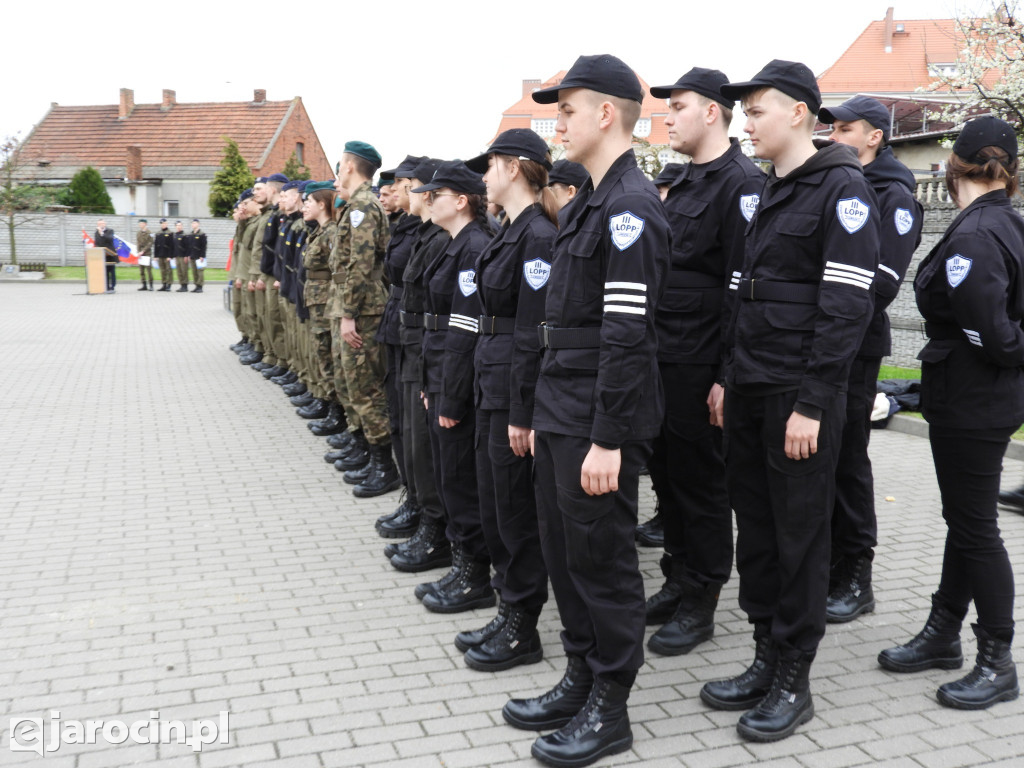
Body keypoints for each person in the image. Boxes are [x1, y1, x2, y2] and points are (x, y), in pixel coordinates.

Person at [699, 61, 878, 742]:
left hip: (797, 402)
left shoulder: (843, 190)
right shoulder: (771, 191)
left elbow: (844, 308)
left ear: (799, 112)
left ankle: (793, 679)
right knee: (761, 533)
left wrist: (813, 402)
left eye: (757, 112)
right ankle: (764, 656)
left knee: (801, 538)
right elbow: (741, 295)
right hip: (749, 389)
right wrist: (724, 375)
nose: (747, 123)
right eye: (744, 113)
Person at [500, 55, 670, 768]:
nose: (556, 121)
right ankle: (579, 673)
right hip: (561, 405)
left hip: (595, 418)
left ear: (607, 114)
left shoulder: (629, 207)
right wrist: (538, 409)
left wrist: (608, 439)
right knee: (566, 555)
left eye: (566, 110)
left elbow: (628, 336)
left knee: (602, 562)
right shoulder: (591, 201)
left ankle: (611, 705)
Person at [878, 116, 1023, 711]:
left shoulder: (974, 236)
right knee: (966, 520)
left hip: (972, 399)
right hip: (985, 397)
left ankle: (996, 659)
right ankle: (943, 632)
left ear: (952, 168)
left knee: (975, 528)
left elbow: (995, 334)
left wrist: (1009, 352)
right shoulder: (1009, 224)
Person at [642, 68, 766, 659]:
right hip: (664, 355)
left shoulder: (739, 184)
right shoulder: (686, 181)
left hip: (701, 362)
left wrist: (726, 374)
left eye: (680, 107)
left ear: (713, 112)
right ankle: (677, 577)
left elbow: (742, 288)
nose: (669, 116)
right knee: (668, 478)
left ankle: (703, 598)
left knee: (701, 485)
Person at [818, 96, 924, 623]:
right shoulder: (841, 183)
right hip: (824, 341)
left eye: (845, 128)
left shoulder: (893, 192)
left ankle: (856, 574)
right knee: (823, 457)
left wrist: (830, 320)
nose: (833, 135)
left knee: (847, 459)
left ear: (875, 135)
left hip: (856, 344)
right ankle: (830, 564)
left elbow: (880, 281)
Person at [457, 129, 558, 670]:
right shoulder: (508, 231)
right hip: (489, 381)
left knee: (516, 513)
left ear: (515, 168)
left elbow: (531, 329)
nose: (484, 177)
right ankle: (506, 607)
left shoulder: (538, 237)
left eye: (490, 166)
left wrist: (523, 410)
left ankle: (523, 624)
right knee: (496, 507)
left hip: (511, 392)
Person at [408, 160, 496, 613]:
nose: (428, 200)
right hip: (441, 370)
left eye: (436, 194)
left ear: (461, 201)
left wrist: (451, 392)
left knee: (461, 481)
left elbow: (465, 328)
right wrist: (431, 381)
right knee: (449, 475)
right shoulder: (453, 242)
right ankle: (463, 565)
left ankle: (475, 575)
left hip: (456, 376)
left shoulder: (474, 246)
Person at [386, 158, 453, 576]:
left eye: (406, 185)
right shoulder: (425, 233)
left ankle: (435, 528)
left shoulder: (445, 238)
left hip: (428, 350)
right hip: (411, 341)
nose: (401, 193)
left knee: (423, 446)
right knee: (408, 435)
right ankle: (420, 508)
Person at [331, 141, 401, 498]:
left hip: (364, 310)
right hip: (361, 306)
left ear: (349, 166)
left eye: (340, 163)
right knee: (352, 385)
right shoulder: (356, 204)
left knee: (365, 388)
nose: (338, 168)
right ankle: (366, 453)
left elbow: (358, 267)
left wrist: (348, 315)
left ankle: (384, 466)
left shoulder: (361, 207)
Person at [372, 155, 428, 537]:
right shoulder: (407, 225)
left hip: (416, 334)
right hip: (397, 326)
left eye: (403, 183)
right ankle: (412, 496)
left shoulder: (430, 231)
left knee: (414, 432)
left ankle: (423, 506)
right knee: (399, 422)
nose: (394, 190)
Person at [95, 219, 117, 293]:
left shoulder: (110, 231)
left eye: (102, 223)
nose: (101, 225)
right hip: (102, 255)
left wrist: (101, 233)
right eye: (99, 224)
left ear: (105, 224)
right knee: (105, 271)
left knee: (111, 271)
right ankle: (106, 286)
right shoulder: (96, 232)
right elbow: (97, 242)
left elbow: (109, 239)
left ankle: (112, 286)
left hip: (110, 254)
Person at [154, 218, 175, 291]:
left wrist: (170, 256)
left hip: (167, 255)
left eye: (164, 223)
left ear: (167, 224)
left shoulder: (170, 233)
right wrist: (155, 256)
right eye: (162, 223)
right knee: (162, 270)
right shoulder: (158, 233)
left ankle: (169, 284)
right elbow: (156, 245)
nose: (163, 225)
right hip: (160, 254)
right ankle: (164, 284)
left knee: (168, 270)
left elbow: (172, 246)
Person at [189, 219, 207, 293]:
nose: (193, 224)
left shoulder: (202, 234)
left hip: (199, 256)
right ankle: (196, 285)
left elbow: (204, 246)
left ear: (198, 224)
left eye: (195, 223)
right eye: (192, 223)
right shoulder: (191, 234)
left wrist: (202, 255)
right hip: (193, 255)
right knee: (194, 272)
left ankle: (200, 286)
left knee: (200, 271)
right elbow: (189, 245)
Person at [136, 219, 154, 291]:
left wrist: (143, 251)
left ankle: (151, 285)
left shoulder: (150, 233)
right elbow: (138, 243)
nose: (140, 225)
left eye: (142, 223)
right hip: (140, 254)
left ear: (145, 224)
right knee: (141, 271)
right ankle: (144, 285)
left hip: (147, 253)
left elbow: (150, 243)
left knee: (148, 270)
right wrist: (138, 252)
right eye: (139, 224)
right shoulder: (138, 233)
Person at [172, 221, 190, 293]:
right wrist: (174, 255)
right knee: (179, 271)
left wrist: (186, 256)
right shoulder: (175, 235)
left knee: (184, 271)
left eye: (179, 225)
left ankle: (185, 286)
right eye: (177, 225)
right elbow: (174, 246)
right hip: (177, 256)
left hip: (183, 256)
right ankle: (181, 285)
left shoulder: (185, 235)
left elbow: (187, 246)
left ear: (182, 226)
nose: (178, 227)